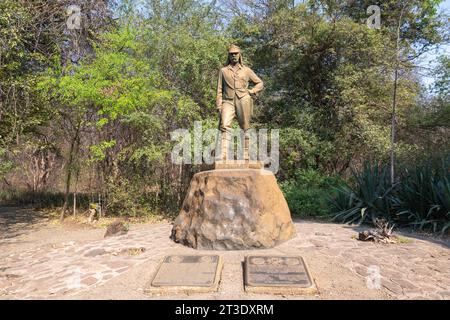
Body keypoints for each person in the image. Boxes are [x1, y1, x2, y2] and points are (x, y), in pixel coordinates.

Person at [216, 45, 263, 160]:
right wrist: (219, 105)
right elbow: (219, 89)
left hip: (243, 99)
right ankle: (223, 154)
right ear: (228, 55)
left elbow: (260, 83)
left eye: (236, 53)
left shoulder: (246, 70)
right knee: (224, 125)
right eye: (231, 54)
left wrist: (252, 91)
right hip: (228, 101)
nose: (234, 56)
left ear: (239, 54)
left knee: (245, 127)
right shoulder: (223, 71)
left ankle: (246, 154)